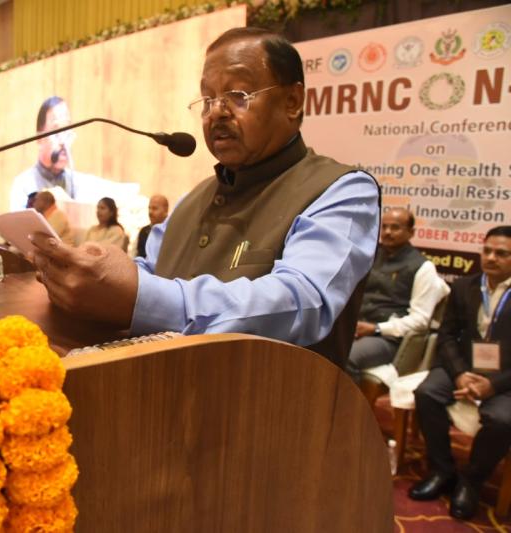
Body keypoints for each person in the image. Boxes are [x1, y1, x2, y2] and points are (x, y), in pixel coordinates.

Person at [30, 27, 379, 367]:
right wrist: (91, 275)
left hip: (275, 399)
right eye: (208, 99)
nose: (216, 112)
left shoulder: (342, 189)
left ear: (292, 102)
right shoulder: (193, 198)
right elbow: (150, 272)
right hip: (159, 388)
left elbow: (302, 301)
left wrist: (139, 297)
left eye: (238, 95)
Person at [409, 226, 511, 520]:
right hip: (463, 366)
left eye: (501, 253)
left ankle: (471, 481)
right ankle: (442, 470)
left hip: (505, 378)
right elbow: (446, 336)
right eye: (487, 251)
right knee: (427, 393)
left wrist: (493, 385)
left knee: (502, 419)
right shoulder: (465, 285)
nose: (491, 258)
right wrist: (459, 375)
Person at [347, 207, 450, 382]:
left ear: (411, 232)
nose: (387, 232)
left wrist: (376, 328)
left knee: (347, 356)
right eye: (384, 226)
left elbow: (420, 320)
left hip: (387, 337)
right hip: (354, 329)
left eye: (395, 227)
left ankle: (345, 401)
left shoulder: (423, 267)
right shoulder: (369, 256)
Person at [9, 96, 78, 210]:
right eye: (57, 131)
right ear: (39, 138)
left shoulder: (76, 183)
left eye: (67, 130)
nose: (63, 141)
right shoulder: (23, 184)